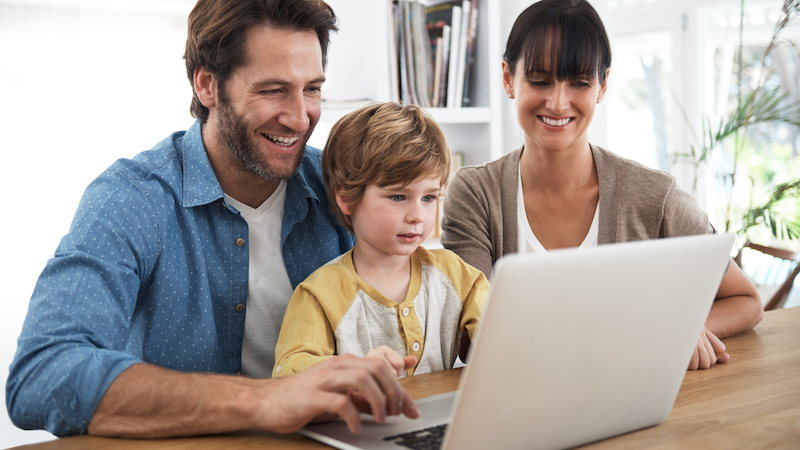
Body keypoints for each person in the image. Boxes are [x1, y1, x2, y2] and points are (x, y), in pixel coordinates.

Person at [6, 0, 420, 439]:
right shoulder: (132, 197)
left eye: (313, 89)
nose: (301, 117)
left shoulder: (343, 184)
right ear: (207, 85)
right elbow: (41, 375)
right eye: (273, 90)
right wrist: (266, 399)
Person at [441, 0, 763, 371]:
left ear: (603, 85)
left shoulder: (655, 197)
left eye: (579, 82)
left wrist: (683, 329)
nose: (558, 102)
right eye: (540, 80)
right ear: (508, 78)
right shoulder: (476, 194)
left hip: (630, 401)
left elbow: (746, 300)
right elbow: (470, 339)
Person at [272, 102, 488, 379]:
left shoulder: (456, 275)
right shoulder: (320, 294)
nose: (417, 216)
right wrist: (349, 373)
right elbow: (288, 376)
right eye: (398, 197)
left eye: (429, 198)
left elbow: (500, 340)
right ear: (347, 197)